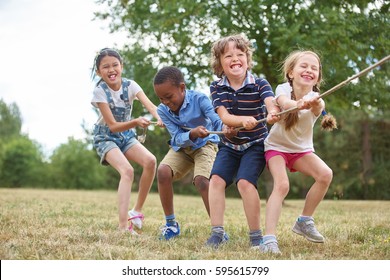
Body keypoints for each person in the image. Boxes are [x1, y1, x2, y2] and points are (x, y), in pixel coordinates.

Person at [206, 34, 280, 248]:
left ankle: (256, 237)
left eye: (240, 54)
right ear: (220, 63)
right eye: (228, 55)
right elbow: (225, 116)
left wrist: (274, 111)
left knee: (245, 183)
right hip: (229, 146)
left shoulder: (259, 83)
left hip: (255, 145)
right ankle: (217, 233)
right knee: (216, 181)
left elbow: (270, 102)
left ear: (247, 59)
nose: (235, 58)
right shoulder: (217, 87)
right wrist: (242, 120)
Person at [262, 50, 337, 254]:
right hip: (276, 148)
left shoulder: (316, 98)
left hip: (301, 151)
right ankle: (268, 240)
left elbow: (319, 106)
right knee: (282, 185)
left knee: (325, 174)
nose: (309, 70)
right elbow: (285, 103)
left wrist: (313, 103)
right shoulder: (282, 89)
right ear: (291, 73)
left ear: (318, 77)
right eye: (303, 66)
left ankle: (304, 221)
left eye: (314, 68)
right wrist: (297, 104)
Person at [153, 66, 232, 240]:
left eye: (169, 97)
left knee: (202, 181)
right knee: (163, 171)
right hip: (182, 147)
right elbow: (176, 137)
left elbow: (216, 119)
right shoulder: (162, 110)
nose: (166, 102)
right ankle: (171, 225)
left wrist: (225, 129)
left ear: (182, 88)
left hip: (206, 144)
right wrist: (192, 133)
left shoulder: (200, 99)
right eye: (161, 98)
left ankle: (218, 231)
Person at [91, 48, 163, 233]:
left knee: (150, 161)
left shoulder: (131, 85)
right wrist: (136, 121)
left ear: (121, 66)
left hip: (125, 136)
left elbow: (151, 106)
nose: (111, 69)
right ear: (99, 72)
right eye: (105, 67)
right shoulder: (100, 92)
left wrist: (160, 117)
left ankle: (136, 211)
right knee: (127, 171)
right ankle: (123, 227)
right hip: (105, 136)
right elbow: (113, 126)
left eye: (115, 65)